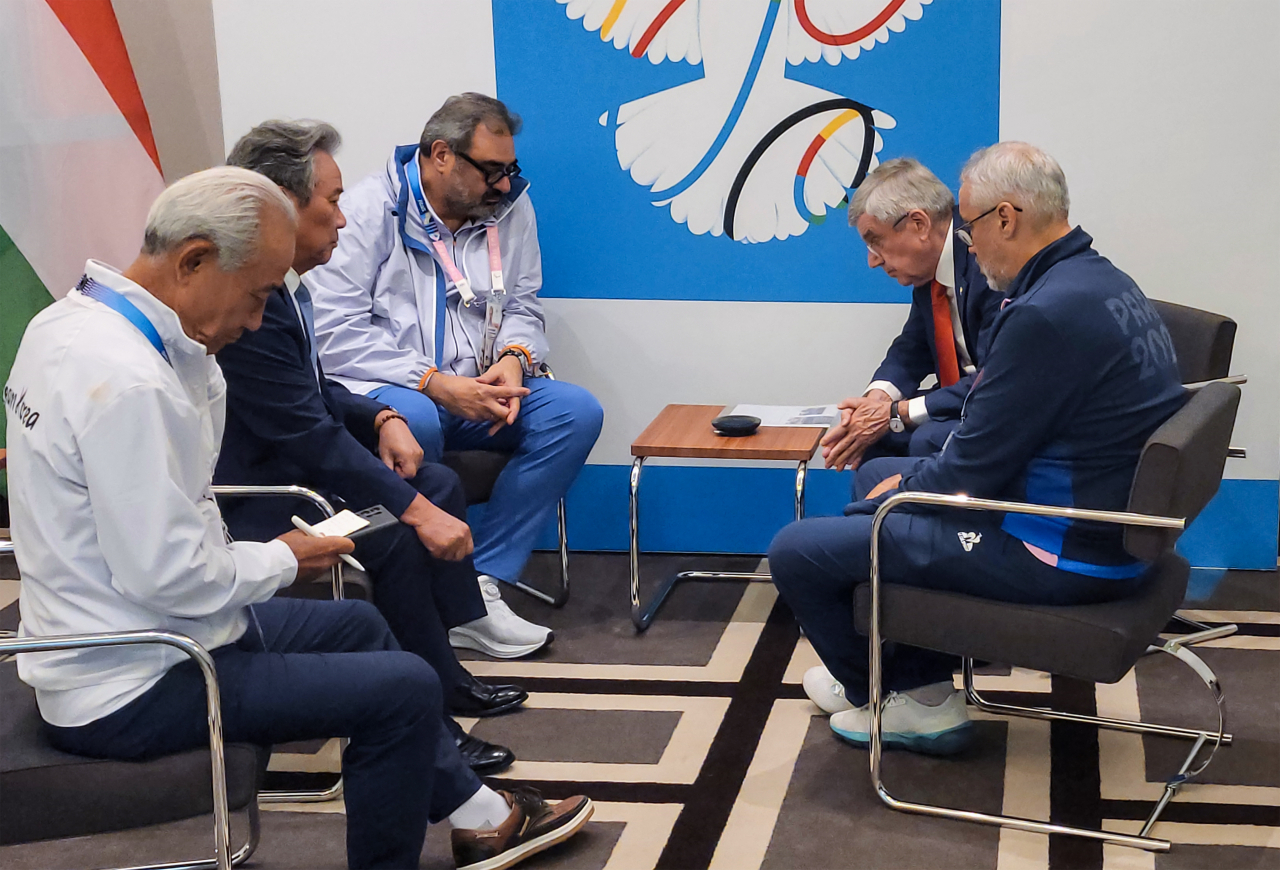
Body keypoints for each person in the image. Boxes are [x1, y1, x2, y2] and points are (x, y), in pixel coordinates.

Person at [3, 167, 592, 870]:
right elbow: (173, 579)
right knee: (401, 693)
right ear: (194, 259)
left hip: (119, 635)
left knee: (360, 625)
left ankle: (480, 817)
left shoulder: (65, 324)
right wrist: (287, 556)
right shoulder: (130, 380)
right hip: (134, 679)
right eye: (256, 294)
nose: (257, 320)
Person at [770, 142, 1187, 755]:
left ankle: (886, 694)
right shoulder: (1102, 281)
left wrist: (899, 496)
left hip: (1062, 549)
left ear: (1006, 218)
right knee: (882, 484)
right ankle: (920, 688)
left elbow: (973, 466)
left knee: (800, 550)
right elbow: (988, 442)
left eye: (968, 224)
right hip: (1107, 528)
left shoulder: (1043, 314)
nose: (964, 240)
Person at [216, 120, 522, 773]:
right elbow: (309, 434)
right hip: (264, 499)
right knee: (395, 527)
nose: (344, 220)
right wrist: (414, 513)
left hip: (302, 473)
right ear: (279, 206)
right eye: (330, 203)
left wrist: (381, 414)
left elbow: (318, 392)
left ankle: (447, 669)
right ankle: (432, 721)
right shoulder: (250, 300)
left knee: (433, 483)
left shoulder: (286, 289)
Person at [305, 94, 604, 659]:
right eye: (491, 170)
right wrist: (433, 382)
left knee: (574, 411)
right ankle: (433, 586)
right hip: (395, 390)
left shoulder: (511, 209)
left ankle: (482, 581)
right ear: (441, 155)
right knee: (416, 419)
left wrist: (515, 357)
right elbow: (336, 331)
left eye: (509, 169)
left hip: (480, 387)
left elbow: (524, 303)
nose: (503, 184)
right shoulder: (368, 210)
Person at [820, 158, 1002, 472]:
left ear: (919, 224)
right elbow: (911, 348)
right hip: (961, 402)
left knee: (923, 437)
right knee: (878, 439)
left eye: (876, 242)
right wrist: (875, 402)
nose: (872, 261)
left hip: (997, 411)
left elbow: (996, 376)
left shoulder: (986, 259)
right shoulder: (930, 269)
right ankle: (877, 522)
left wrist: (896, 412)